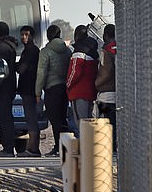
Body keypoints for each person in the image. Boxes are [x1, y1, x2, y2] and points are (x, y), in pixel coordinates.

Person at [36, 24, 72, 156]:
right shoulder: (68, 51)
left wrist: (37, 92)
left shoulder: (46, 52)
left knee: (55, 119)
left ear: (48, 36)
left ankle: (58, 147)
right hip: (65, 89)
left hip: (52, 89)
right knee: (63, 119)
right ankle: (65, 147)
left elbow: (41, 73)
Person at [0, 21, 18, 157]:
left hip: (2, 89)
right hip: (10, 86)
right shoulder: (10, 46)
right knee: (7, 118)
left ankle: (8, 148)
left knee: (4, 119)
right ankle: (8, 147)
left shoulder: (1, 49)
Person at [66, 24, 98, 137]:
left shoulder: (78, 52)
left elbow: (75, 73)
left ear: (76, 36)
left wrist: (68, 85)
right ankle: (89, 146)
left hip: (78, 92)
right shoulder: (93, 52)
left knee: (80, 122)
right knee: (89, 121)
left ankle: (84, 148)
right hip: (90, 91)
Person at [16, 25, 41, 157]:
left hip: (30, 89)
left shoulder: (32, 51)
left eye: (26, 34)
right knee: (29, 118)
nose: (24, 37)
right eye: (22, 34)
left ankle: (33, 148)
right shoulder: (28, 50)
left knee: (31, 119)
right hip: (27, 89)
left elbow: (21, 69)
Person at [95, 24, 117, 151]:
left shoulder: (106, 51)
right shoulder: (120, 48)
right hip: (118, 92)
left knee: (105, 125)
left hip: (106, 94)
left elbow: (106, 71)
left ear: (106, 36)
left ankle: (109, 148)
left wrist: (97, 83)